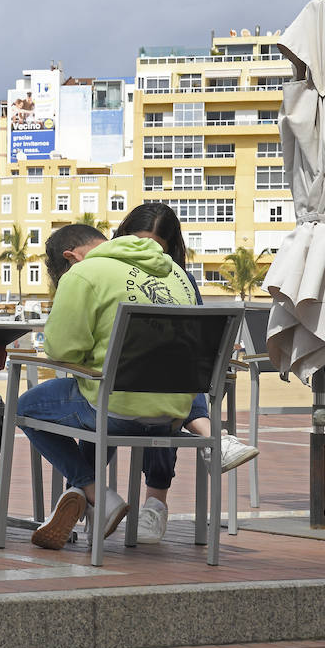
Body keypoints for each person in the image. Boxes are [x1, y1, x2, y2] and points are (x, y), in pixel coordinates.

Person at [19, 223, 199, 550]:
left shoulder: (84, 273)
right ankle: (86, 497)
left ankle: (95, 494)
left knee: (25, 407)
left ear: (70, 257)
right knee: (95, 402)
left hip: (119, 407)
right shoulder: (176, 273)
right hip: (174, 413)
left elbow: (61, 350)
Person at [113, 203, 258, 544]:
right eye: (138, 243)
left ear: (170, 249)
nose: (145, 253)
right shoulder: (106, 273)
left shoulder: (181, 280)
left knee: (169, 386)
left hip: (163, 387)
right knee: (168, 387)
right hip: (119, 385)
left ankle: (143, 503)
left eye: (155, 248)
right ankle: (211, 438)